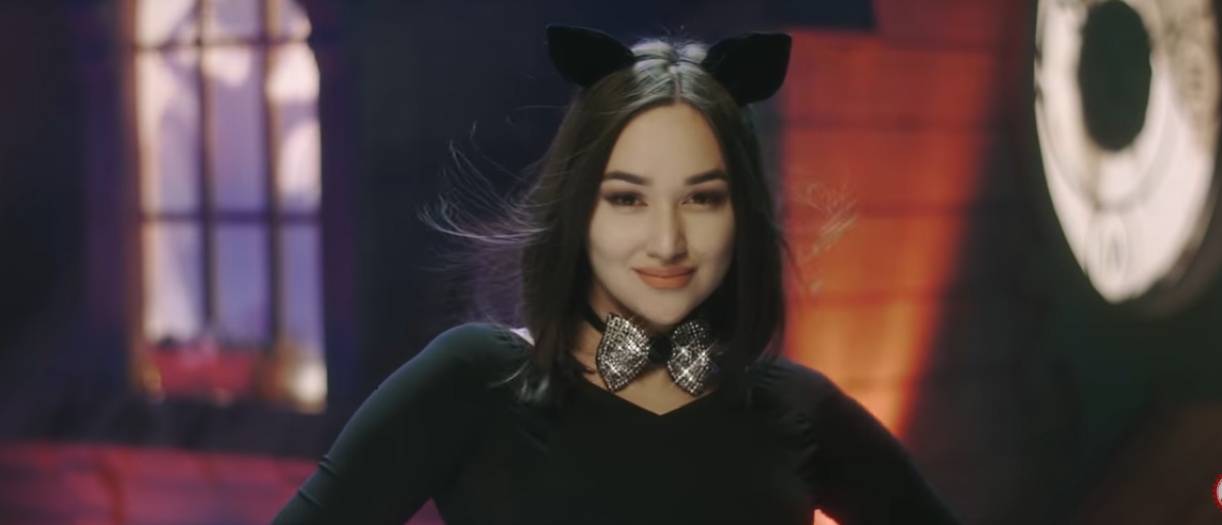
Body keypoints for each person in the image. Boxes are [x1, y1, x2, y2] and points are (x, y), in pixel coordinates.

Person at [272, 24, 962, 525]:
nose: (667, 240)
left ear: (742, 216)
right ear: (580, 211)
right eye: (628, 198)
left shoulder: (796, 407)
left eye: (702, 198)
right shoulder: (477, 378)